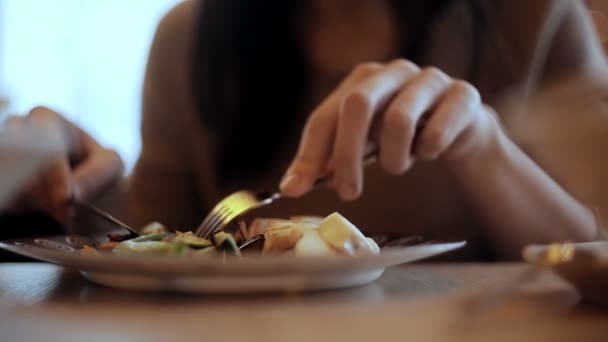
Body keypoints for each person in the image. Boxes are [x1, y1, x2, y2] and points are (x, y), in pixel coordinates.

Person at [5, 0, 608, 260]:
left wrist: (482, 143)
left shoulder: (534, 19)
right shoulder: (191, 40)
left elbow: (592, 250)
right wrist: (79, 179)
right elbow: (165, 241)